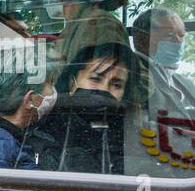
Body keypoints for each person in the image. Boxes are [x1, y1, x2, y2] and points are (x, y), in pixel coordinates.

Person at [40, 41, 139, 174]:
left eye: (116, 85)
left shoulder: (130, 138)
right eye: (95, 79)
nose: (104, 89)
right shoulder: (45, 129)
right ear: (71, 82)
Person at [126, 8, 195, 174]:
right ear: (143, 40)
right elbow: (135, 125)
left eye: (182, 35)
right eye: (170, 35)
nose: (179, 42)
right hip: (158, 172)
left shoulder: (183, 82)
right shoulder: (132, 74)